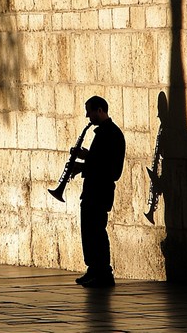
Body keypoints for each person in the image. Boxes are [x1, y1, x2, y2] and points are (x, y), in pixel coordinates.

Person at [71, 95, 126, 288]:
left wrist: (82, 167)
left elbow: (111, 169)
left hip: (100, 191)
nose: (88, 116)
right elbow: (98, 160)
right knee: (88, 230)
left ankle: (104, 273)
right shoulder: (102, 133)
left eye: (90, 111)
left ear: (100, 110)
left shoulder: (112, 134)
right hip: (92, 190)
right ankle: (93, 269)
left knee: (97, 232)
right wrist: (85, 158)